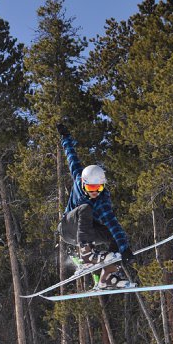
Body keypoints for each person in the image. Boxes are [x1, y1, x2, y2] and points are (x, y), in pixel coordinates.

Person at [56, 122, 134, 289]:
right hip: (68, 228)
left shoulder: (102, 200)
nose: (94, 192)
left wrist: (124, 248)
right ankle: (86, 256)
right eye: (91, 188)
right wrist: (65, 137)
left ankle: (108, 277)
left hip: (88, 232)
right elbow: (71, 155)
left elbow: (113, 224)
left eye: (98, 188)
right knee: (85, 208)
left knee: (118, 238)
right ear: (83, 184)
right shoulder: (78, 178)